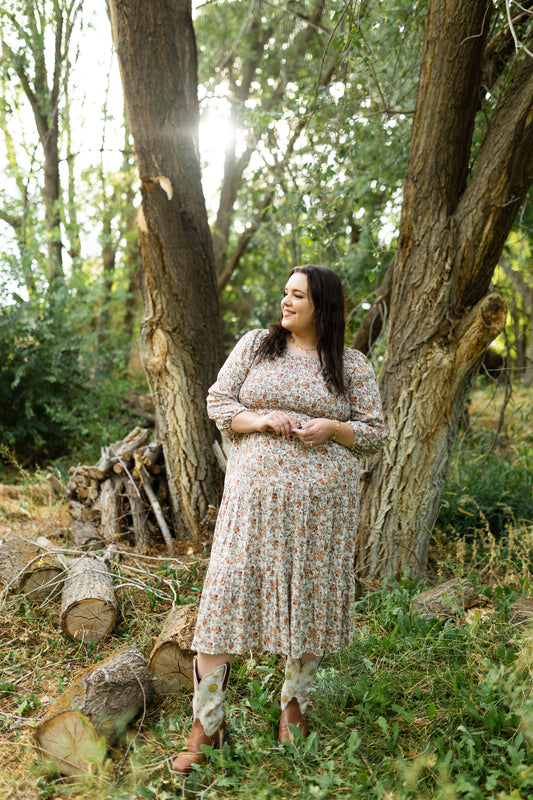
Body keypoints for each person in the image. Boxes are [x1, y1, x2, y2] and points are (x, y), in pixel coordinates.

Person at [172, 264, 388, 773]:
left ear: (323, 306)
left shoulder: (350, 364)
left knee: (307, 608)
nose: (286, 302)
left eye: (297, 296)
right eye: (286, 293)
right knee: (224, 604)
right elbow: (218, 403)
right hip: (253, 504)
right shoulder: (256, 346)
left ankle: (294, 712)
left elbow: (375, 434)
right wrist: (263, 418)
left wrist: (334, 427)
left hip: (320, 510)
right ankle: (207, 726)